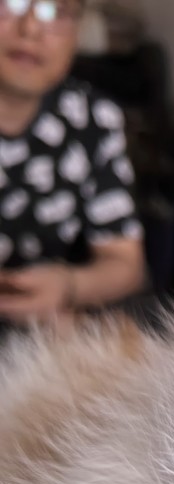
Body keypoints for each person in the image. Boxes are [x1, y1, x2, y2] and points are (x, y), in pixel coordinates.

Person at [0, 0, 144, 326]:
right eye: (12, 3)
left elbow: (125, 263)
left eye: (57, 10)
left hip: (42, 332)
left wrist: (68, 286)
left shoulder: (93, 120)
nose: (30, 29)